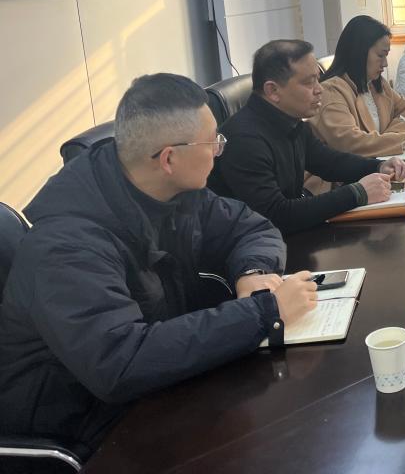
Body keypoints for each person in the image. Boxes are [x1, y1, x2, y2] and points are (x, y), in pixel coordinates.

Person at [0, 74, 318, 458]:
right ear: (169, 158)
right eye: (213, 141)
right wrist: (264, 312)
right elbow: (120, 363)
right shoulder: (67, 246)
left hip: (156, 392)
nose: (220, 150)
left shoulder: (170, 192)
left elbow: (251, 227)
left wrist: (253, 273)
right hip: (88, 430)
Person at [208, 40, 405, 235]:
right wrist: (358, 193)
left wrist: (378, 166)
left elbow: (328, 161)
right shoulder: (244, 140)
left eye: (318, 78)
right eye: (309, 83)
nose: (320, 89)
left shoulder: (289, 119)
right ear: (273, 90)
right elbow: (276, 215)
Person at [311, 16, 405, 157]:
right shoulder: (331, 92)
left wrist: (384, 141)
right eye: (381, 55)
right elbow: (349, 143)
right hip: (345, 171)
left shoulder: (375, 83)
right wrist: (403, 140)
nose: (385, 64)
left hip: (380, 164)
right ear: (359, 52)